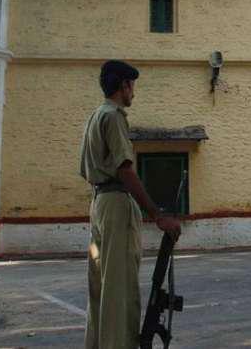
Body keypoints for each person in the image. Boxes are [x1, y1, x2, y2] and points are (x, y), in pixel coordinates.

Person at [80, 60, 181, 349]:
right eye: (132, 86)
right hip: (115, 203)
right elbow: (125, 170)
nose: (134, 92)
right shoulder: (114, 116)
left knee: (101, 289)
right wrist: (157, 215)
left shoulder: (95, 115)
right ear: (124, 85)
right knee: (119, 289)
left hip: (99, 203)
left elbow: (87, 170)